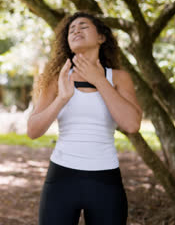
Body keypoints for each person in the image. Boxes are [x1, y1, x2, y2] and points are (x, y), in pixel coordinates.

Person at [27, 12, 142, 224]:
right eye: (71, 29)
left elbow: (132, 125)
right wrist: (62, 98)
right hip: (61, 178)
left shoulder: (118, 78)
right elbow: (33, 131)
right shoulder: (56, 79)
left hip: (105, 180)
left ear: (101, 37)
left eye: (83, 26)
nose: (76, 30)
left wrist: (99, 80)